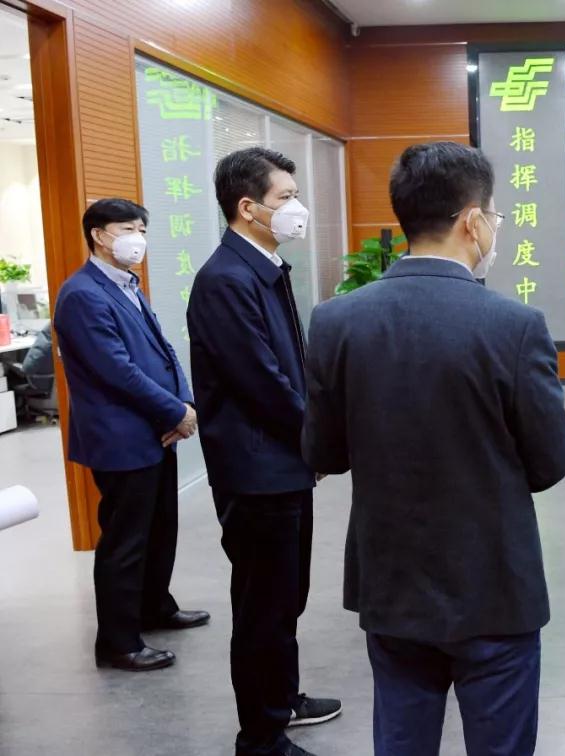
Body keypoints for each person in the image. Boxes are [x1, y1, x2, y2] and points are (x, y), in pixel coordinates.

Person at [302, 141, 565, 756]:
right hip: (494, 584)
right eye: (495, 215)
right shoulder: (514, 326)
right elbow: (552, 460)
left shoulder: (337, 321)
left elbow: (323, 451)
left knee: (402, 740)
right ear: (472, 220)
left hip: (391, 580)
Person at [187, 148, 340, 756]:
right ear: (248, 207)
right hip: (256, 472)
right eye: (285, 198)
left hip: (282, 465)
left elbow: (290, 369)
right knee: (262, 607)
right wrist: (318, 437)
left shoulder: (263, 266)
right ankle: (261, 736)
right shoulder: (226, 279)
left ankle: (283, 698)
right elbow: (262, 382)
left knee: (286, 597)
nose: (297, 207)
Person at [52, 198, 208, 672]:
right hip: (121, 438)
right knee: (125, 540)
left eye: (141, 228)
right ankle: (118, 643)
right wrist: (174, 411)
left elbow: (163, 351)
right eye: (127, 228)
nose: (137, 237)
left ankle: (154, 607)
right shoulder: (82, 294)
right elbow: (116, 371)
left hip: (155, 430)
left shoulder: (127, 284)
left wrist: (185, 404)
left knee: (160, 527)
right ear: (99, 235)